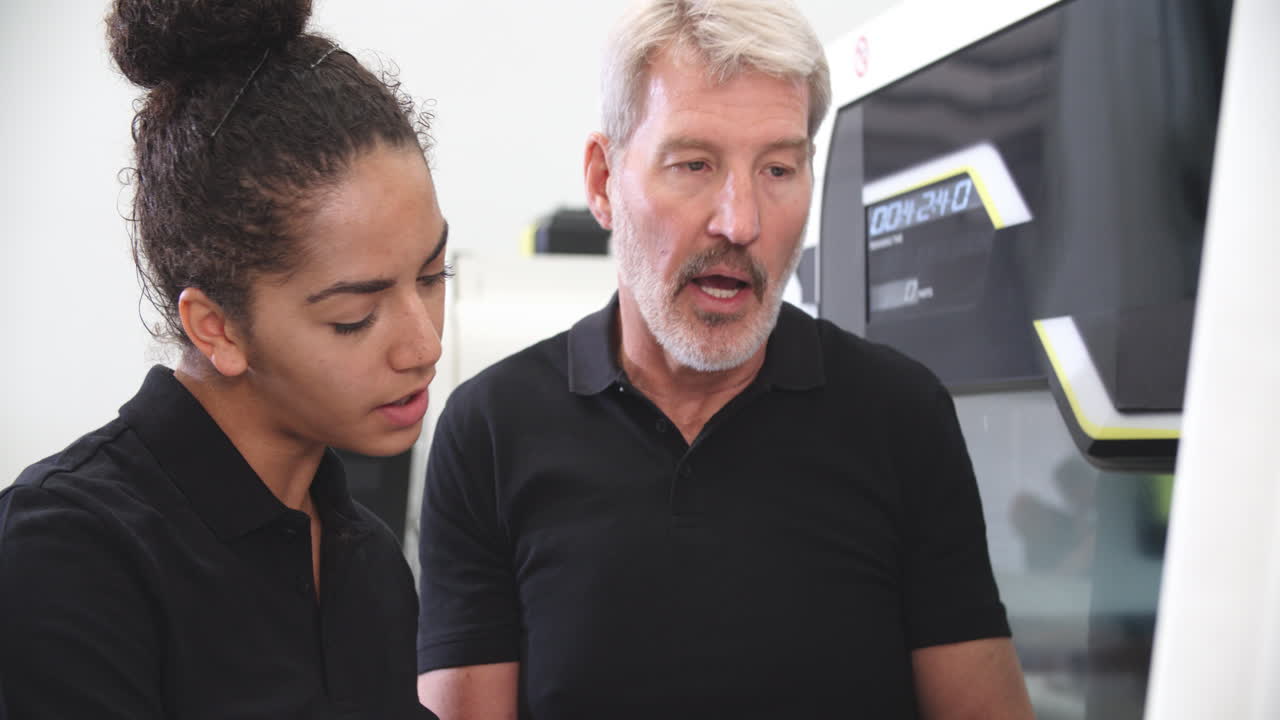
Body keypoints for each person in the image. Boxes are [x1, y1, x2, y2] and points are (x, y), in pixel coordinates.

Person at [415, 0, 1034, 718]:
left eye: (778, 168)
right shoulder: (491, 428)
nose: (740, 222)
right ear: (602, 180)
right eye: (694, 164)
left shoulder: (901, 415)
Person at [0, 1, 444, 717]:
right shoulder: (69, 552)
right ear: (217, 330)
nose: (424, 345)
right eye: (354, 316)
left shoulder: (369, 561)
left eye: (432, 277)